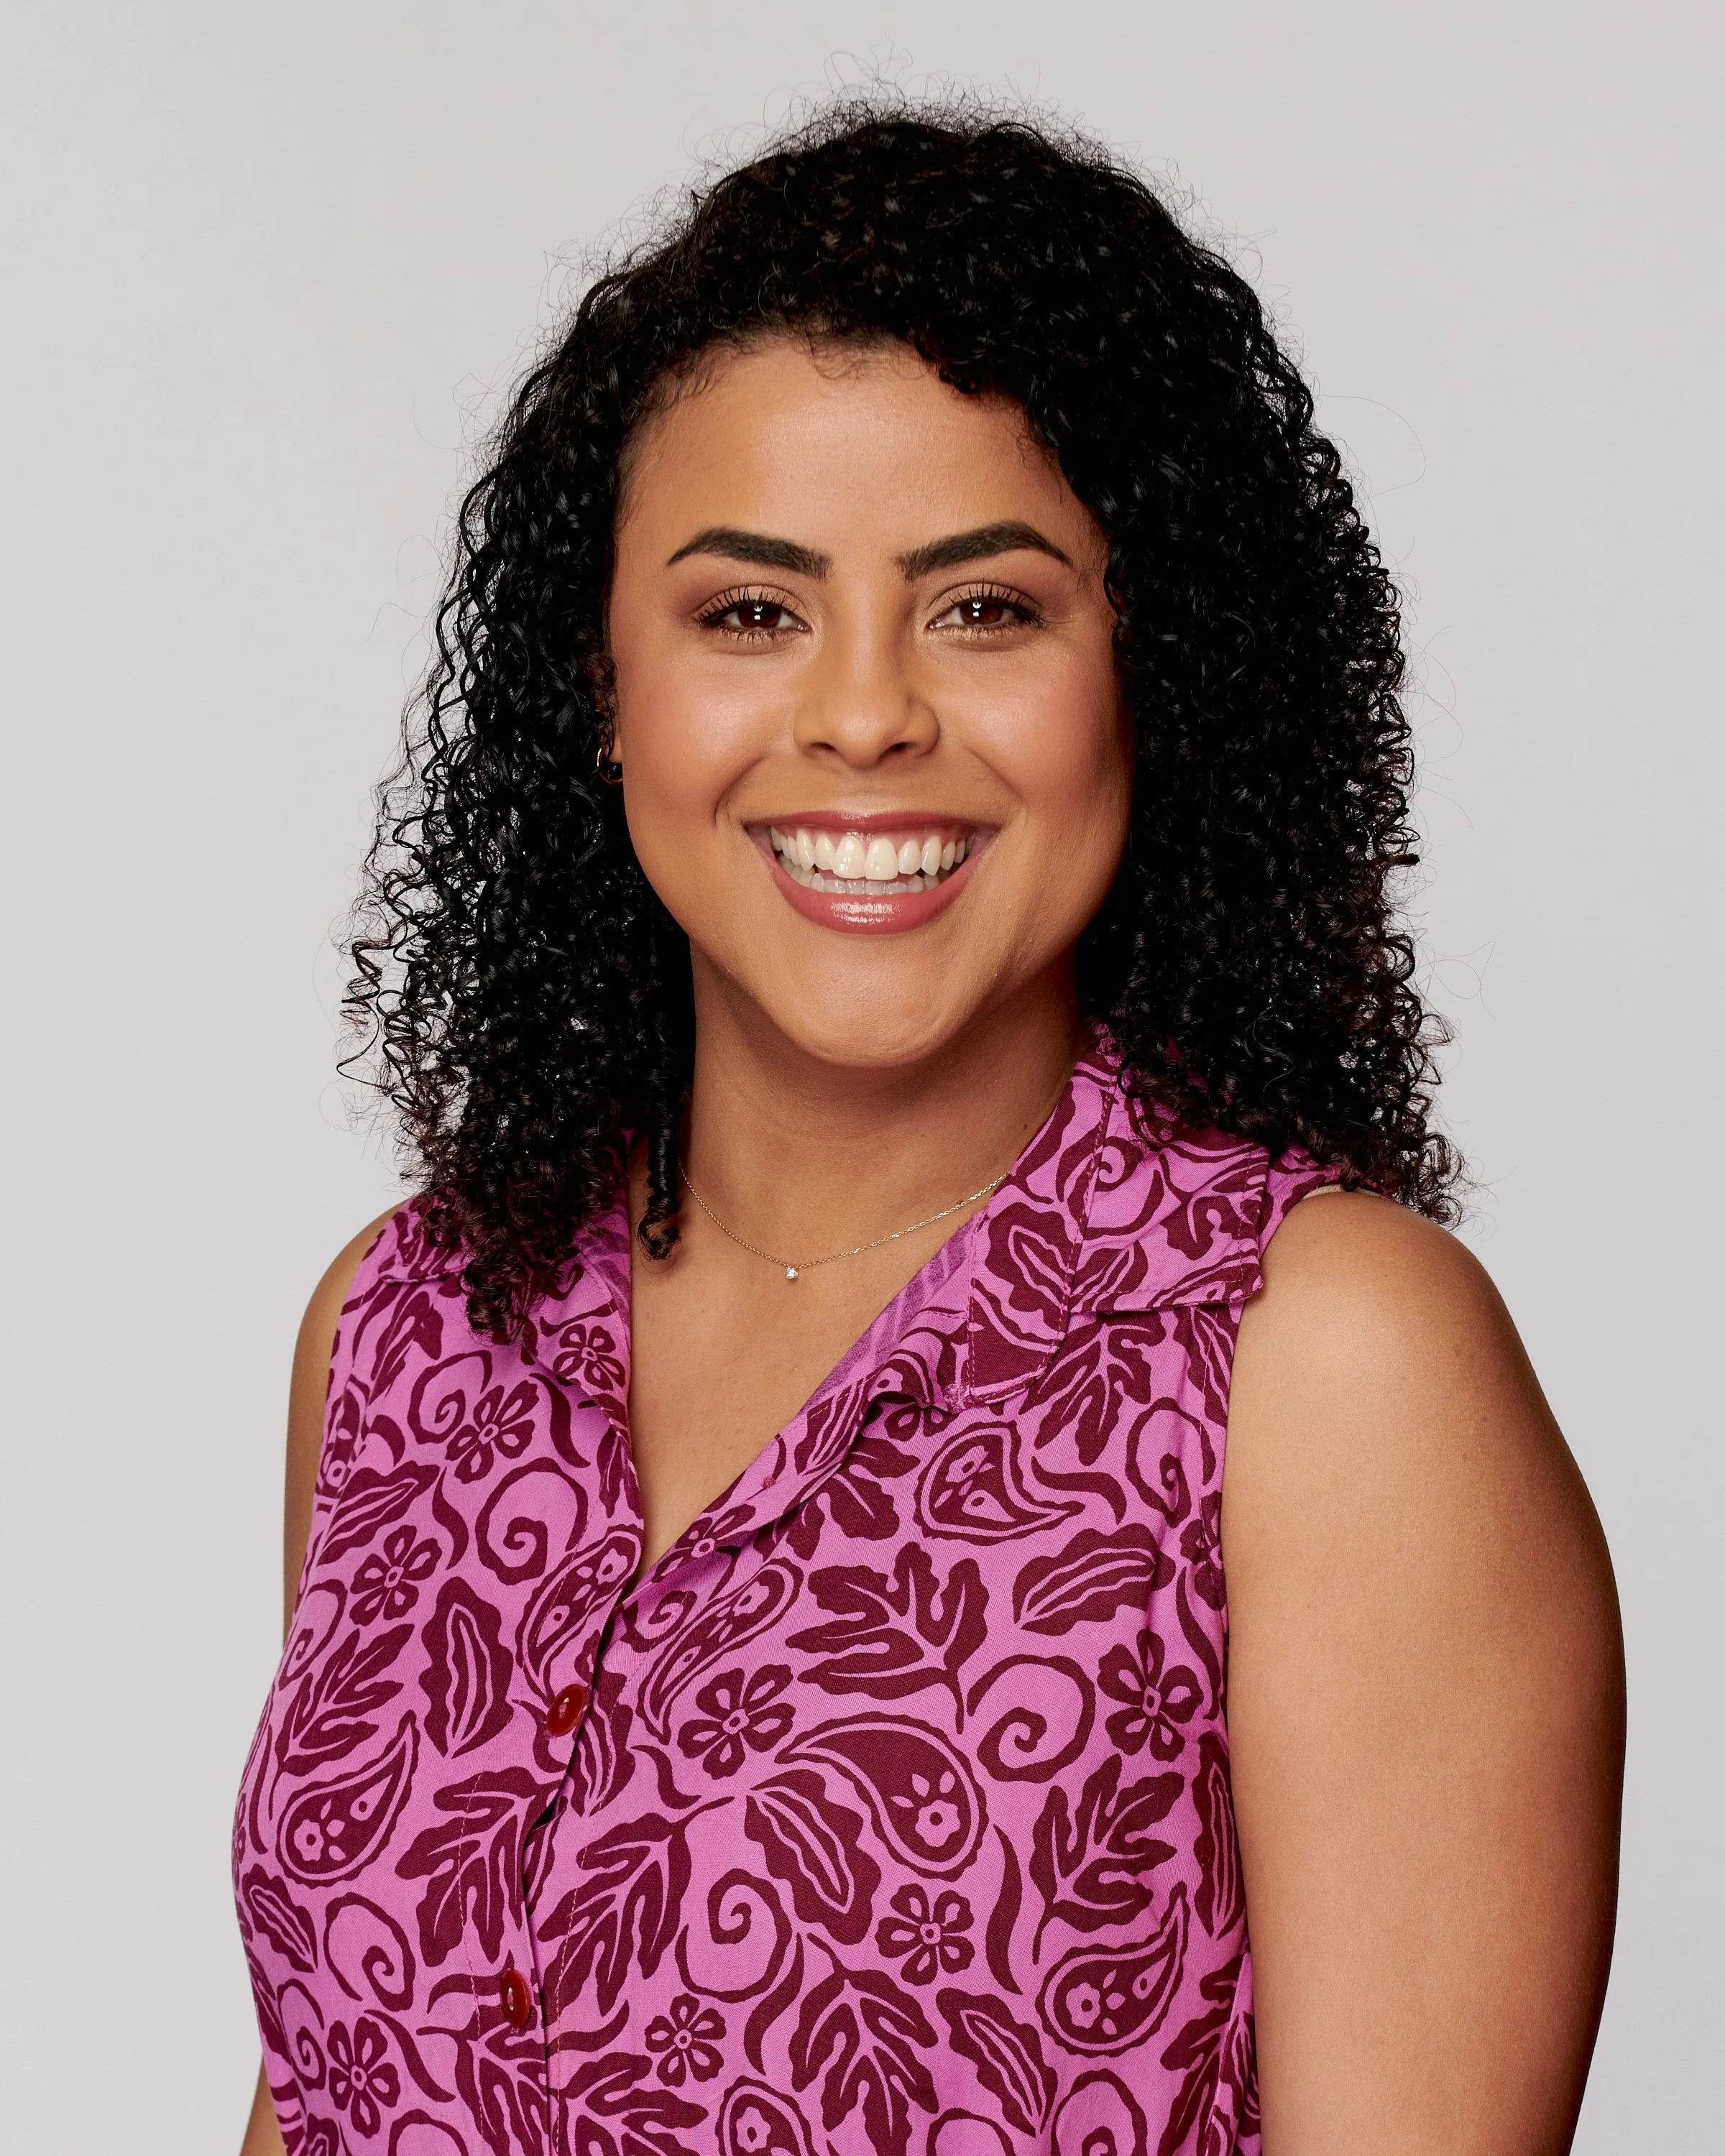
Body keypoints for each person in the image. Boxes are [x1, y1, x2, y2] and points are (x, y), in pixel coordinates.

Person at [235, 104, 1624, 2156]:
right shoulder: (407, 1330)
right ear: (600, 683)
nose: (867, 714)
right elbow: (331, 2086)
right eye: (750, 612)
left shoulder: (1318, 1368)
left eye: (988, 609)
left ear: (1151, 676)